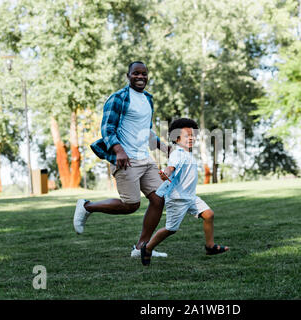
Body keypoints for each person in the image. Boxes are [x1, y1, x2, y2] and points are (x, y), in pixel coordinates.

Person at [73, 61, 169, 258]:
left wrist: (164, 147)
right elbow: (107, 128)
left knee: (159, 199)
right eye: (136, 74)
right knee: (131, 205)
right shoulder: (118, 98)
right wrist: (119, 150)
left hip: (145, 158)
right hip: (126, 159)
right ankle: (86, 206)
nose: (140, 77)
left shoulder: (148, 99)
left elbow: (147, 131)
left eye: (144, 74)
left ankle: (141, 247)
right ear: (128, 76)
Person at [140, 118, 229, 266]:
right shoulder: (177, 154)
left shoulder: (188, 154)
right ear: (177, 138)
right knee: (170, 229)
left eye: (193, 135)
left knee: (209, 214)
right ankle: (147, 248)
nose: (191, 138)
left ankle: (210, 247)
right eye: (187, 135)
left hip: (190, 197)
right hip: (177, 198)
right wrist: (166, 173)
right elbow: (171, 168)